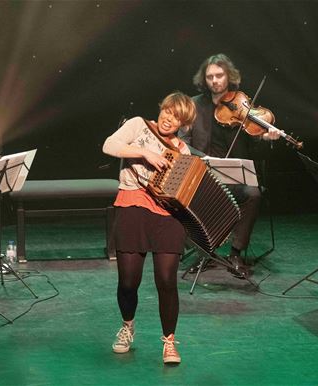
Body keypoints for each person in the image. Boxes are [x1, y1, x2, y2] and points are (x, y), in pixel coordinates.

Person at [103, 92, 197, 365]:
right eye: (168, 111)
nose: (169, 119)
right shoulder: (138, 125)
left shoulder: (183, 150)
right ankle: (128, 326)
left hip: (167, 215)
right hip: (132, 204)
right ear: (162, 108)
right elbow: (110, 145)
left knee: (167, 281)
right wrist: (145, 152)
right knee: (128, 282)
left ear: (183, 123)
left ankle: (169, 341)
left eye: (177, 117)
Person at [179, 53, 280, 278]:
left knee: (253, 193)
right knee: (183, 196)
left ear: (229, 76)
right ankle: (203, 251)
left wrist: (266, 138)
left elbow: (256, 146)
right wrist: (202, 159)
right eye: (210, 77)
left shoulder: (243, 107)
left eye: (219, 75)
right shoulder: (193, 105)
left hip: (235, 177)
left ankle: (235, 253)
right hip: (202, 174)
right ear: (204, 80)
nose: (215, 81)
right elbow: (182, 143)